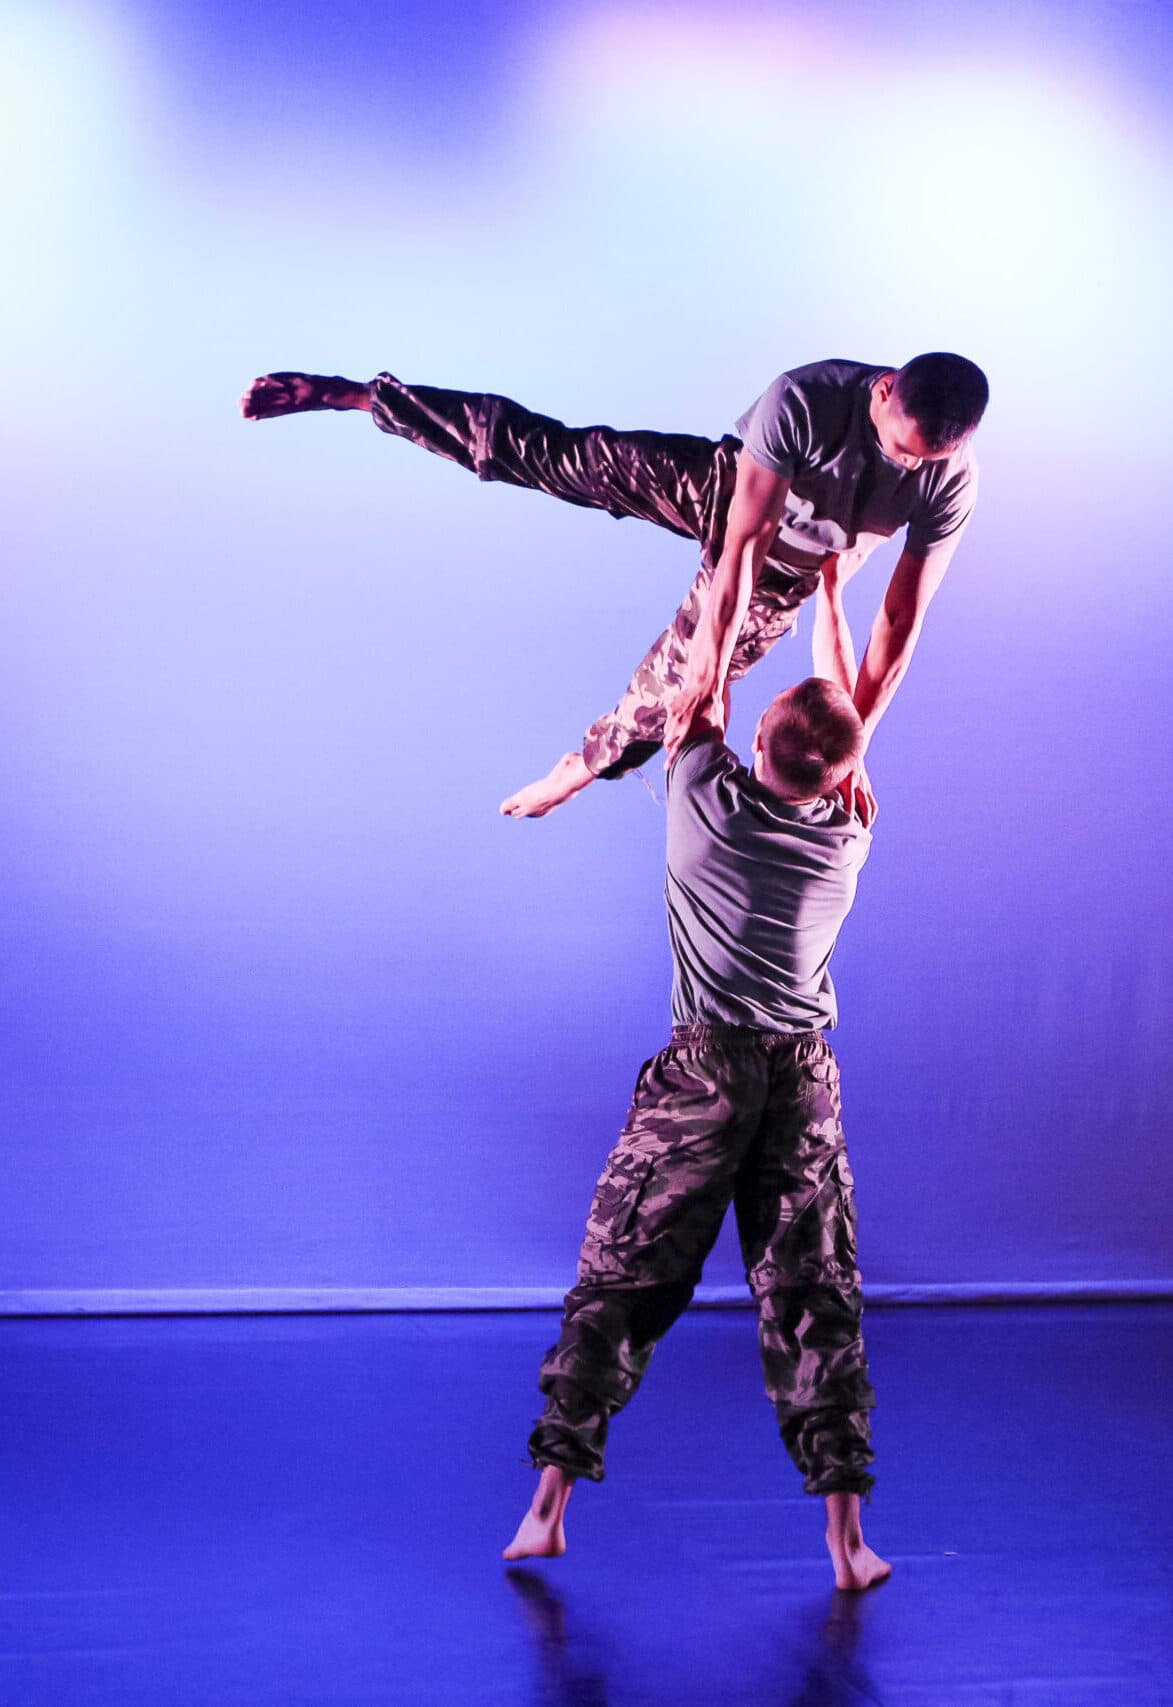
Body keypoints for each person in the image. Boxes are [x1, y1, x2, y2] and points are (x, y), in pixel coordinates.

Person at [501, 562, 891, 1592]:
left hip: (705, 1070)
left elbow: (707, 657)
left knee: (625, 1280)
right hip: (802, 1077)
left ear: (761, 741)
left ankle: (547, 1511)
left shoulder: (703, 792)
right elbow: (844, 713)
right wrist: (840, 602)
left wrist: (745, 552)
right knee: (814, 1294)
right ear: (839, 767)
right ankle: (848, 1542)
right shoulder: (847, 830)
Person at [239, 352, 987, 824]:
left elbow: (897, 619)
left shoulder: (949, 480)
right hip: (728, 495)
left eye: (923, 462)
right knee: (561, 456)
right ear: (884, 391)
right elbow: (744, 541)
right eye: (896, 448)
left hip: (788, 578)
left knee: (661, 707)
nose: (906, 471)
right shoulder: (807, 398)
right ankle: (362, 399)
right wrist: (706, 668)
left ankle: (581, 765)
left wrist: (853, 748)